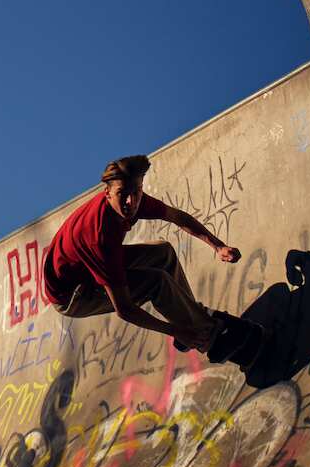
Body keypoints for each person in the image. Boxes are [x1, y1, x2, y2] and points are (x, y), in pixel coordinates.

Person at [41, 154, 268, 366]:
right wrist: (173, 331)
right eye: (122, 194)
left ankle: (191, 322)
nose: (131, 202)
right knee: (155, 282)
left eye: (136, 192)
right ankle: (209, 338)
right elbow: (125, 309)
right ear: (107, 193)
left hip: (86, 268)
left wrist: (217, 245)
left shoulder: (134, 200)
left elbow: (177, 217)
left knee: (163, 253)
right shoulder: (99, 236)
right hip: (73, 294)